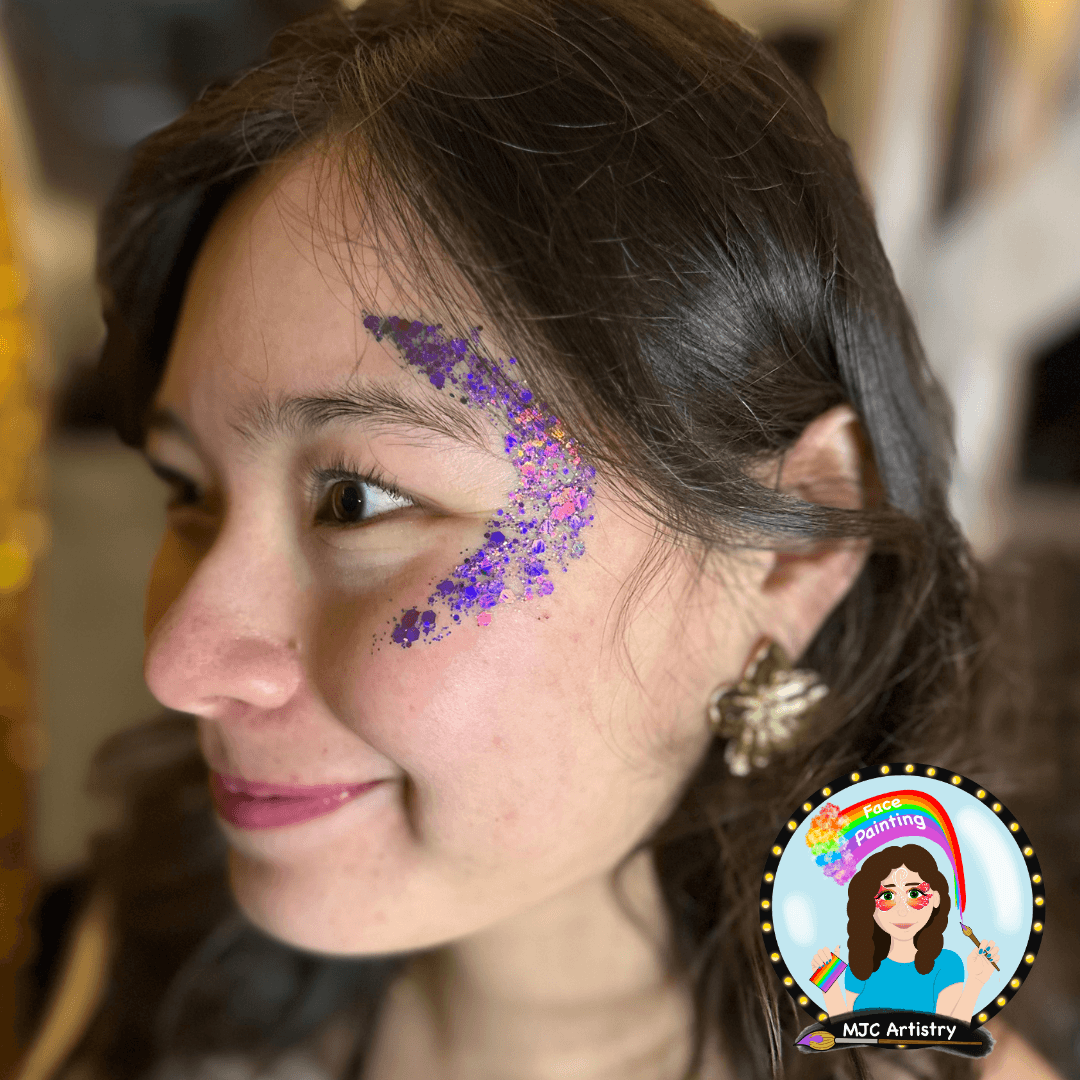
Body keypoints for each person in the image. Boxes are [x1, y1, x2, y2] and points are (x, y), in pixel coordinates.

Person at [16, 1, 1067, 1078]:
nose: (179, 666)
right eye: (187, 488)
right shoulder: (148, 946)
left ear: (791, 548)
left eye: (358, 502)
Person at [812, 844, 998, 1019]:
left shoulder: (948, 965)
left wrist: (976, 982)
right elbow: (846, 1032)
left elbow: (949, 1033)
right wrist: (828, 982)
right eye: (887, 896)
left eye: (914, 894)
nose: (902, 911)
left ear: (936, 899)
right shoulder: (861, 964)